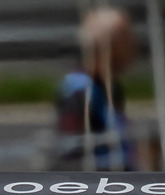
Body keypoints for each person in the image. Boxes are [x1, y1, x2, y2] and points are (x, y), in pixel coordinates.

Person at [55, 6, 158, 171]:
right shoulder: (80, 90)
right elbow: (71, 152)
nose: (134, 48)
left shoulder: (109, 86)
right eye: (127, 40)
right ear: (110, 46)